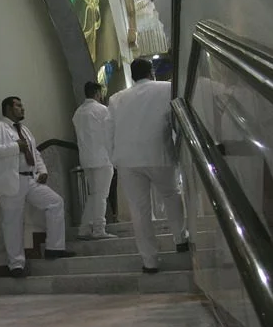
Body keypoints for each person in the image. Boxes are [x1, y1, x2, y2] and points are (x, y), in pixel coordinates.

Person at [108, 59, 188, 274]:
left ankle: (149, 261)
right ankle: (180, 238)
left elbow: (110, 131)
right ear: (151, 72)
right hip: (157, 153)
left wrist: (113, 158)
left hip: (127, 160)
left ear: (132, 76)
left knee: (139, 210)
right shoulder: (167, 88)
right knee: (171, 194)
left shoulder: (116, 98)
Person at [0, 96, 75, 278]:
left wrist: (42, 169)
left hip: (31, 180)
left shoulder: (25, 130)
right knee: (12, 223)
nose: (22, 108)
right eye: (18, 105)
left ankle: (54, 248)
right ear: (8, 108)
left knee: (55, 202)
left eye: (21, 105)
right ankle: (16, 265)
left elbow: (35, 153)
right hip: (11, 182)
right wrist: (15, 146)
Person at [72, 82, 117, 240]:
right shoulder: (102, 110)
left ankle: (84, 228)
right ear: (98, 93)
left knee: (94, 195)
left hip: (86, 159)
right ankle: (99, 229)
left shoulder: (78, 112)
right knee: (101, 195)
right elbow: (111, 132)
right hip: (102, 158)